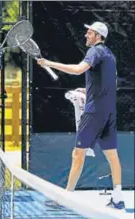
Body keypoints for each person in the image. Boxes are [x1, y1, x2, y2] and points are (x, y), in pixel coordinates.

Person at [37, 22, 125, 210]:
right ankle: (118, 200)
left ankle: (65, 199)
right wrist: (88, 90)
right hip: (108, 112)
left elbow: (78, 69)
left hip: (94, 112)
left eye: (90, 32)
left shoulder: (95, 52)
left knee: (78, 154)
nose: (86, 35)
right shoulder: (109, 55)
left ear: (98, 36)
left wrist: (48, 63)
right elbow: (108, 82)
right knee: (112, 156)